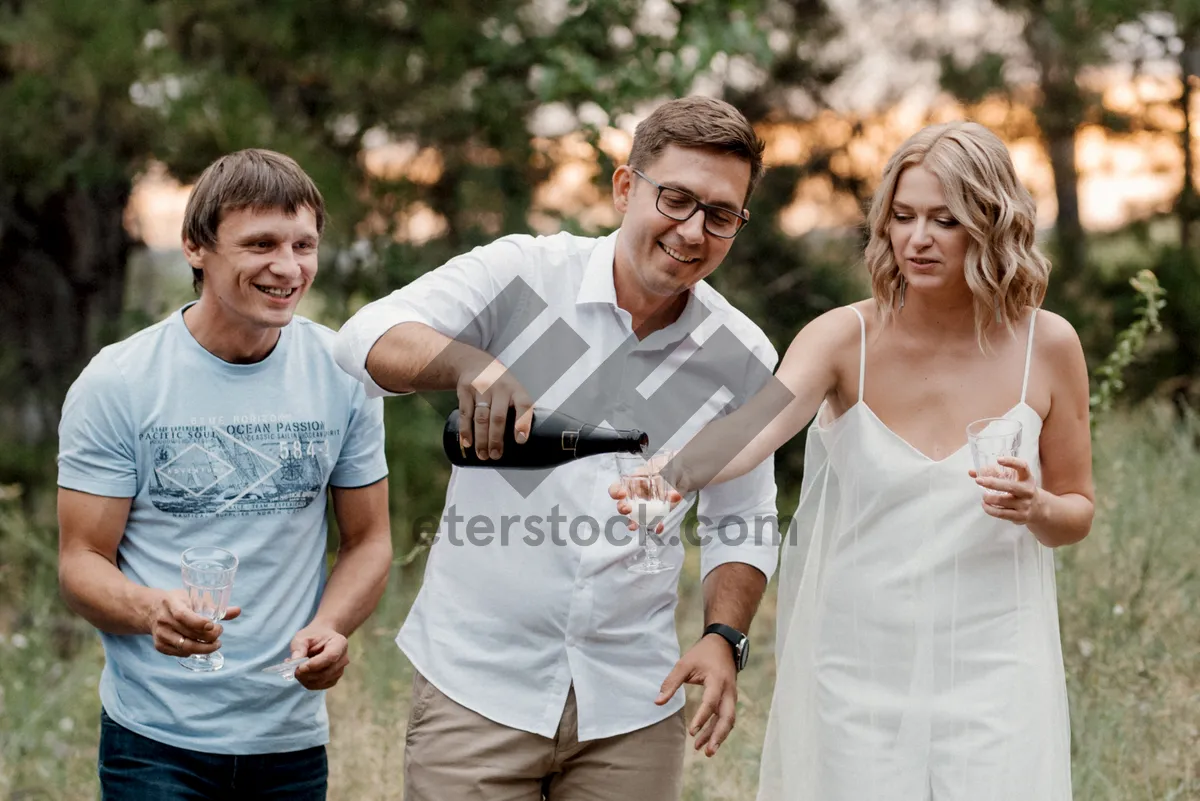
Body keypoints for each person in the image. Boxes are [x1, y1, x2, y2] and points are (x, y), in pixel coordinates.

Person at [333, 96, 780, 800]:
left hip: (633, 702)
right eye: (676, 199)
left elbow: (743, 518)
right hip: (478, 687)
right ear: (625, 186)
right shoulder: (526, 275)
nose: (693, 231)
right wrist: (466, 364)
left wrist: (725, 636)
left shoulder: (742, 352)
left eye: (720, 214)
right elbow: (363, 338)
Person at [630, 121, 1093, 800]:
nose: (917, 238)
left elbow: (1076, 512)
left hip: (996, 663)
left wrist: (1037, 505)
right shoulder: (845, 337)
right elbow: (752, 429)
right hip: (856, 665)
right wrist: (671, 469)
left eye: (945, 219)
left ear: (992, 225)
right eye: (902, 216)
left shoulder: (1048, 347)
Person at [56, 148, 393, 800]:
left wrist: (333, 625)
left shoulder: (343, 372)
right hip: (155, 741)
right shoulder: (119, 382)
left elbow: (369, 540)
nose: (288, 267)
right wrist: (152, 608)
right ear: (195, 247)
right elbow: (80, 562)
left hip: (290, 740)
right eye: (260, 243)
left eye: (304, 244)